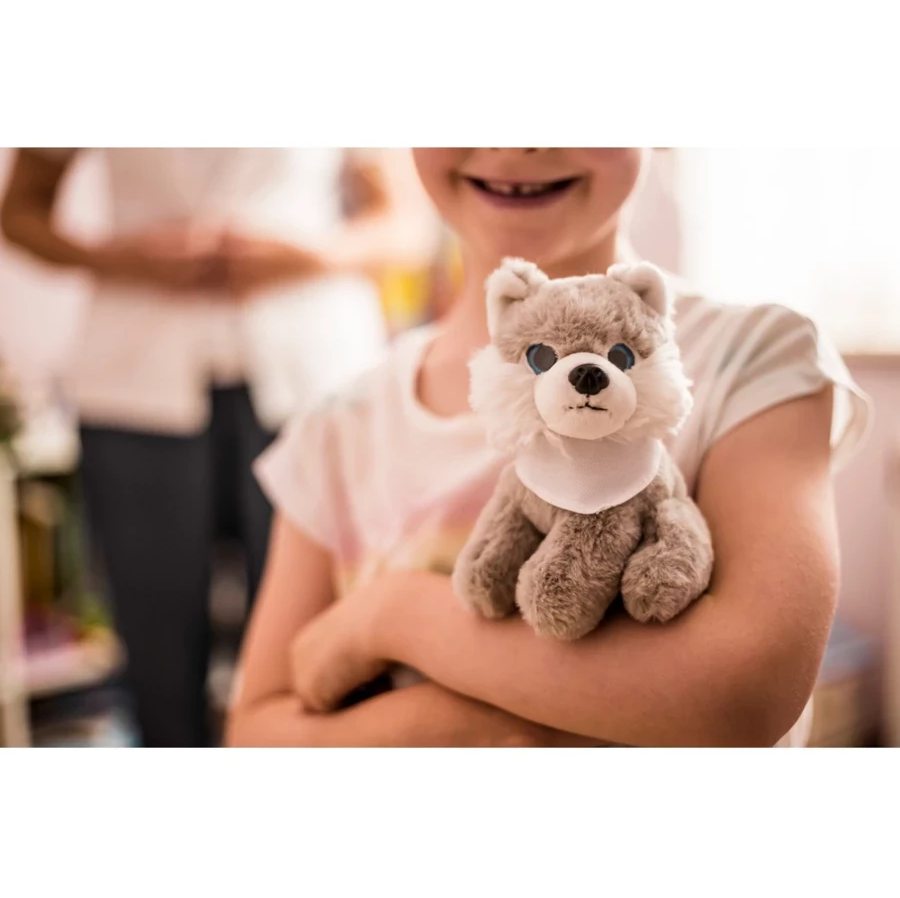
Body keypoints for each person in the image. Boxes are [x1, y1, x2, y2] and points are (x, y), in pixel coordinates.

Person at [226, 148, 872, 748]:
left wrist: (392, 616)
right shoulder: (337, 425)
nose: (518, 143)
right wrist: (458, 727)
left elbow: (743, 695)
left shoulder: (756, 356)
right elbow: (255, 732)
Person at [1, 147, 435, 747]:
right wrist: (118, 259)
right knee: (153, 640)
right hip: (134, 382)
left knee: (316, 640)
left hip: (310, 379)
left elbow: (406, 225)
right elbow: (20, 210)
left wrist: (308, 258)